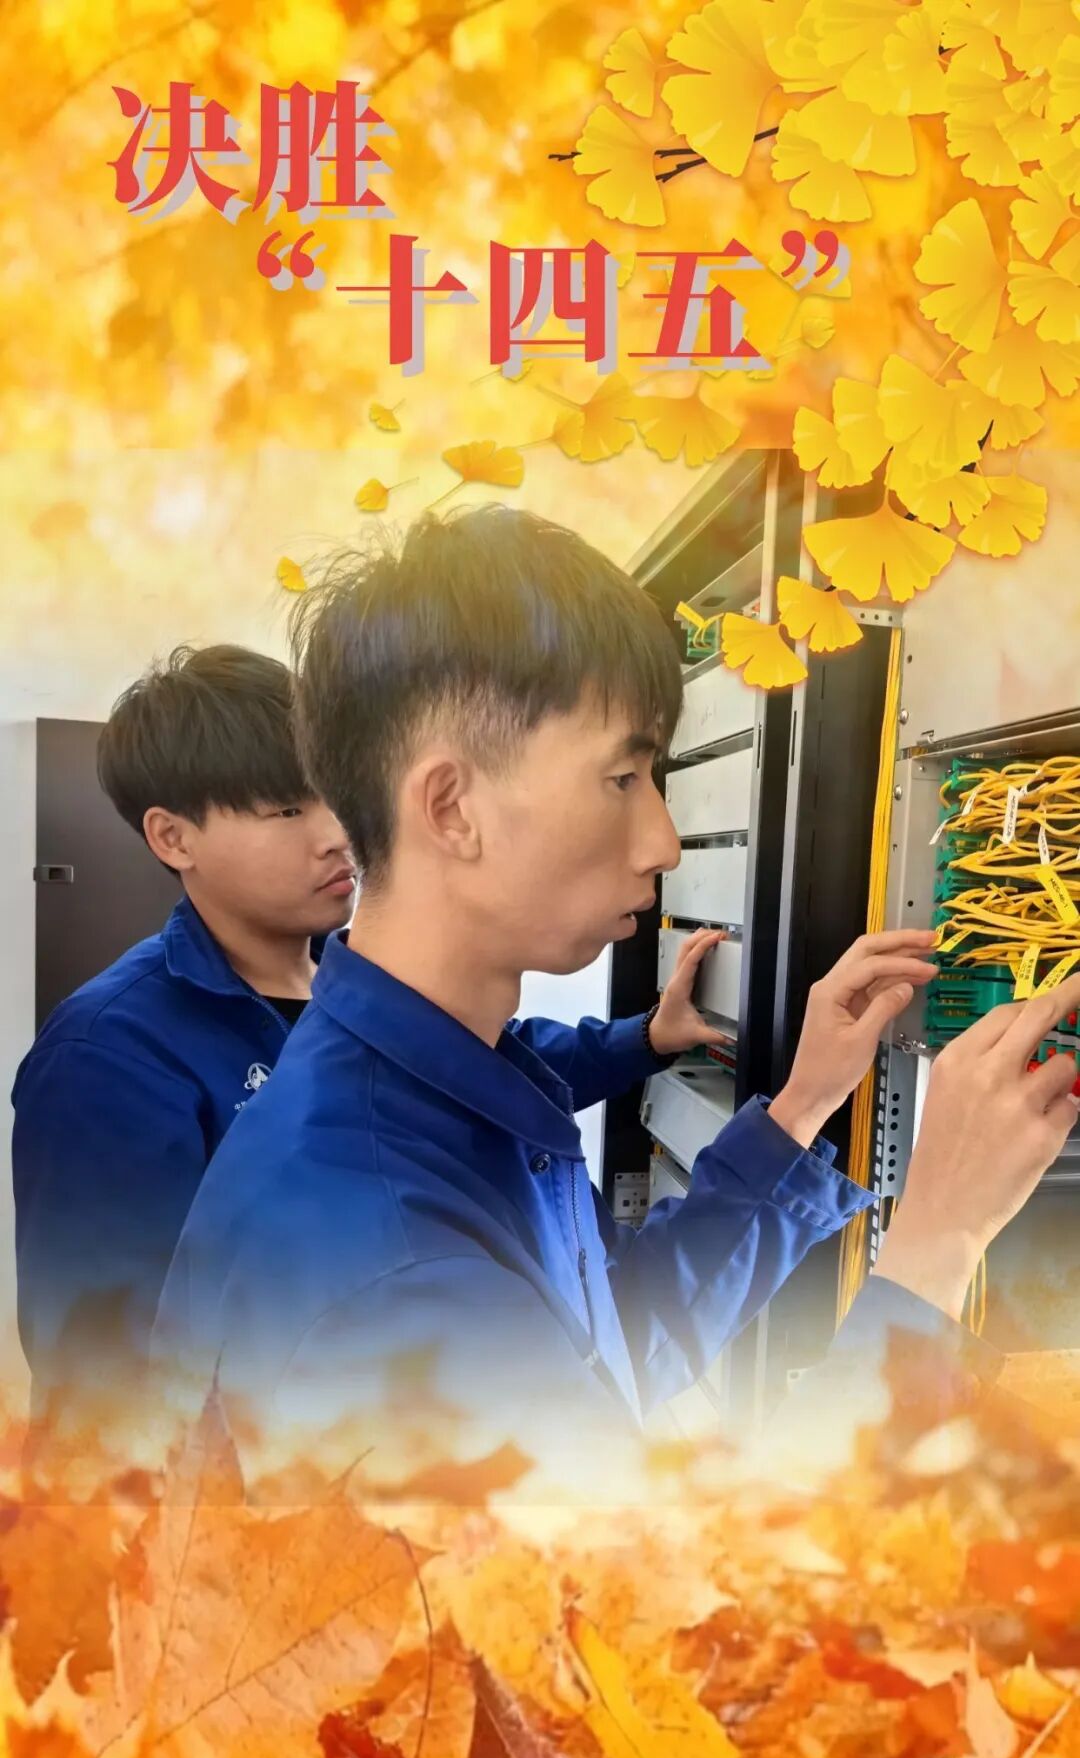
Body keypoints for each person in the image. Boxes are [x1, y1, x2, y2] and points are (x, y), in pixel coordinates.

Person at [150, 507, 1079, 1472]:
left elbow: (617, 1343)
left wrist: (805, 1103)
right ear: (451, 808)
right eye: (623, 777)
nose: (665, 843)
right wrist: (939, 1239)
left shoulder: (440, 1096)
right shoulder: (390, 1268)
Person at [11, 641, 732, 1428]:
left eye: (329, 797)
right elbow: (99, 1379)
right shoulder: (108, 1053)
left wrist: (645, 1038)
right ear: (173, 838)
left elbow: (482, 1063)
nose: (335, 835)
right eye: (286, 810)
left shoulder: (343, 970)